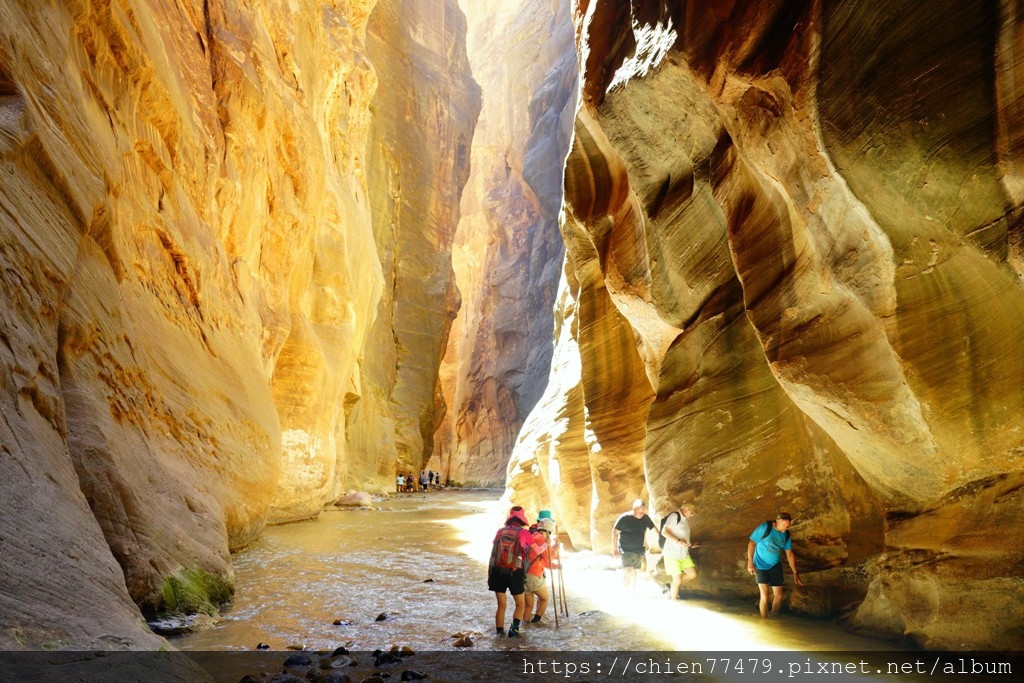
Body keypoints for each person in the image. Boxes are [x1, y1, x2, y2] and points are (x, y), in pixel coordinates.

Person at [488, 506, 534, 637]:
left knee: (501, 605)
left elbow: (495, 549)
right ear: (522, 519)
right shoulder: (524, 533)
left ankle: (499, 635)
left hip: (498, 571)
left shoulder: (500, 531)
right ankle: (514, 631)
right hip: (515, 571)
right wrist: (547, 544)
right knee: (520, 603)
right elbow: (537, 550)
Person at [746, 512, 803, 618]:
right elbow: (751, 543)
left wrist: (796, 573)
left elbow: (789, 553)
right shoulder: (765, 527)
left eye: (788, 526)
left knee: (779, 595)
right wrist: (750, 563)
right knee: (765, 595)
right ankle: (764, 621)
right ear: (777, 521)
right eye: (784, 525)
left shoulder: (786, 534)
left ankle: (773, 618)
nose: (786, 528)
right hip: (760, 565)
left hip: (775, 565)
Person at [611, 499, 656, 591]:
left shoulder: (645, 518)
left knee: (635, 571)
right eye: (640, 512)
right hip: (625, 549)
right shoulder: (624, 518)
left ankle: (633, 591)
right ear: (634, 509)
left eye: (643, 512)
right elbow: (615, 533)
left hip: (639, 550)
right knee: (628, 570)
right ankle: (626, 591)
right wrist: (615, 549)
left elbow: (654, 529)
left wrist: (662, 538)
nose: (642, 514)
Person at [661, 502, 699, 599]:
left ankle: (672, 585)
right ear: (686, 508)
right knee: (677, 580)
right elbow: (664, 532)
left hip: (683, 554)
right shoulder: (675, 516)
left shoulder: (684, 520)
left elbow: (683, 536)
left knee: (693, 574)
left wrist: (690, 545)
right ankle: (674, 602)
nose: (692, 515)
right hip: (672, 554)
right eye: (691, 513)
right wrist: (678, 542)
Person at [523, 518, 557, 625]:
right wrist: (556, 549)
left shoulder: (532, 536)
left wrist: (554, 547)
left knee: (528, 606)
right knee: (545, 599)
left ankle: (526, 627)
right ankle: (536, 622)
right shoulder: (543, 540)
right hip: (534, 575)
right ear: (548, 531)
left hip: (524, 575)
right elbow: (548, 560)